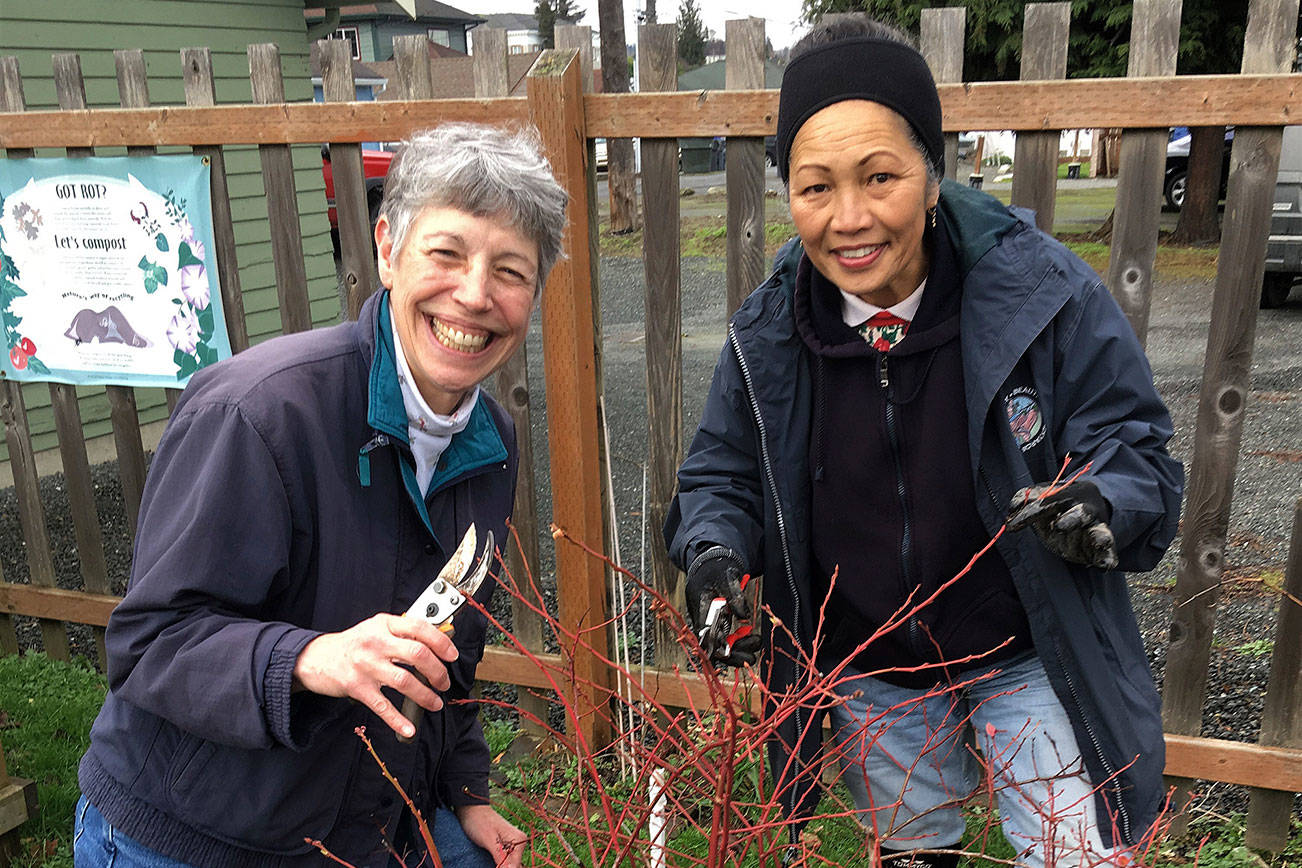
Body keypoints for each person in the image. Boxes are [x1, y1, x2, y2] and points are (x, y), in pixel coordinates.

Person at [664, 15, 1182, 868]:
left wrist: (1102, 502)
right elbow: (721, 472)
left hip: (1024, 645)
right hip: (877, 661)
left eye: (881, 177)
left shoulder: (1043, 294)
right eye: (816, 186)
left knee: (1075, 853)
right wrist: (717, 555)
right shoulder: (768, 336)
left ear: (934, 178)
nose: (850, 218)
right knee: (913, 854)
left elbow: (1131, 444)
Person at [74, 123, 567, 868]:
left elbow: (447, 654)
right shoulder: (257, 414)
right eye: (446, 253)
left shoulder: (489, 442)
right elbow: (148, 646)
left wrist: (466, 791)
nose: (474, 295)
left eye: (510, 270)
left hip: (353, 829)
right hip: (191, 835)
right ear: (387, 251)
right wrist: (311, 659)